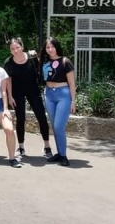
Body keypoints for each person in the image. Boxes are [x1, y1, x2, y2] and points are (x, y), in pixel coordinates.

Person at [4, 37, 53, 160]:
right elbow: (8, 80)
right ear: (10, 50)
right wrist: (10, 96)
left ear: (22, 46)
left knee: (41, 117)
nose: (15, 50)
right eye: (12, 49)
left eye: (17, 47)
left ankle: (47, 146)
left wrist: (37, 57)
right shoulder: (8, 62)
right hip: (17, 93)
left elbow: (41, 71)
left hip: (33, 91)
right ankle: (21, 147)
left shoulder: (32, 58)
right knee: (20, 119)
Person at [40, 37, 76, 167]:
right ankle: (59, 153)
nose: (50, 50)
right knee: (54, 126)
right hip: (49, 94)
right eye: (47, 47)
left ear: (57, 47)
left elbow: (72, 83)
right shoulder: (45, 62)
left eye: (52, 47)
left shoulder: (65, 61)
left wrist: (73, 101)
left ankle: (63, 156)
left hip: (63, 94)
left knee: (58, 126)